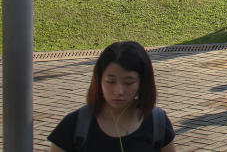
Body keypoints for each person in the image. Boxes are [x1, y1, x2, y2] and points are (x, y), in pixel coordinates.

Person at [47, 40, 177, 152]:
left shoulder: (157, 123)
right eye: (110, 82)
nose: (118, 91)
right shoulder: (75, 125)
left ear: (142, 83)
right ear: (99, 80)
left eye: (128, 83)